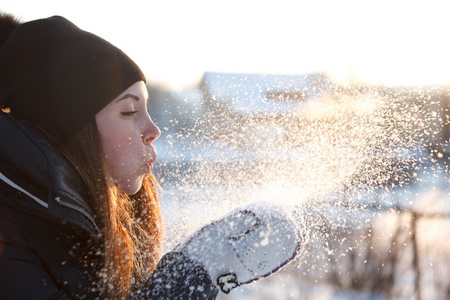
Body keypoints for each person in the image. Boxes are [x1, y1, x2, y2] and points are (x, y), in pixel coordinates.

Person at [0, 13, 304, 299]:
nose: (153, 129)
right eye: (129, 111)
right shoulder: (8, 228)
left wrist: (188, 273)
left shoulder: (108, 219)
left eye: (147, 108)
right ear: (69, 127)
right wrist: (181, 285)